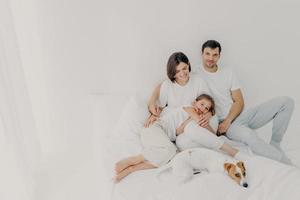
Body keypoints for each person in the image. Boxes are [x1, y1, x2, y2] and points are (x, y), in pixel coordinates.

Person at [198, 40, 294, 164]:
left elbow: (239, 101)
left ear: (219, 56)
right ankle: (287, 164)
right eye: (207, 54)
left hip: (239, 115)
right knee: (250, 136)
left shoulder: (228, 72)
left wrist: (228, 120)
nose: (211, 58)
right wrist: (225, 123)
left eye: (215, 55)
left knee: (286, 102)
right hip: (227, 125)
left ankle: (275, 143)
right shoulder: (196, 75)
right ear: (202, 54)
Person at [114, 94, 244, 182]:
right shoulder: (188, 108)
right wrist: (209, 115)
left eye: (206, 108)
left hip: (159, 139)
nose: (203, 108)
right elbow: (181, 129)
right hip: (153, 129)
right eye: (202, 104)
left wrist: (205, 121)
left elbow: (206, 133)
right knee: (170, 151)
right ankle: (135, 159)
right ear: (195, 102)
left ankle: (132, 168)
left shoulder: (191, 118)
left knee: (170, 157)